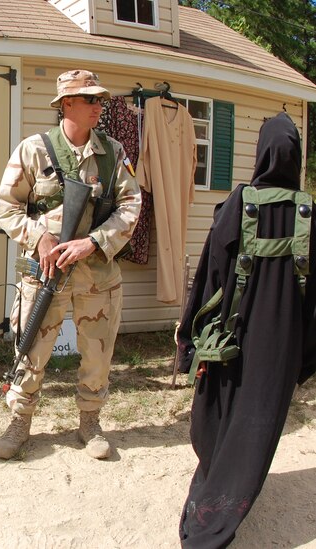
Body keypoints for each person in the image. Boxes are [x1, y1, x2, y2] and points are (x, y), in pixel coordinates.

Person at [175, 112, 316, 547]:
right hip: (282, 345)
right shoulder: (310, 213)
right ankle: (230, 497)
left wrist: (188, 343)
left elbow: (209, 275)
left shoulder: (239, 203)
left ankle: (210, 519)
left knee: (215, 420)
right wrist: (305, 357)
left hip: (229, 339)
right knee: (257, 427)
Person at [0, 69, 141, 460]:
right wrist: (38, 236)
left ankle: (89, 422)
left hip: (97, 275)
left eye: (100, 99)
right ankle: (20, 422)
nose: (99, 106)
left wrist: (93, 242)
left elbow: (131, 205)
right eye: (91, 99)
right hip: (45, 273)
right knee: (31, 349)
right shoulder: (33, 150)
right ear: (67, 105)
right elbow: (3, 208)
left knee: (97, 352)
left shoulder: (115, 153)